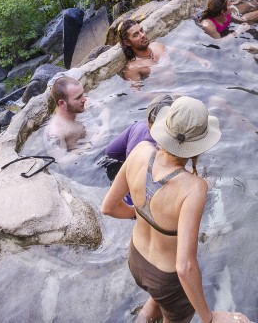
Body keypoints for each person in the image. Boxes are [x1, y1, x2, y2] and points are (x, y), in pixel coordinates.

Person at [101, 96, 250, 323]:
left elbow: (108, 207)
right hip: (167, 278)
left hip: (136, 260)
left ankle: (144, 316)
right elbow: (184, 266)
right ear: (197, 146)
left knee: (157, 296)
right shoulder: (194, 188)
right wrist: (209, 317)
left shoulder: (140, 151)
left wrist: (141, 212)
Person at [101, 94, 174, 188]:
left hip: (126, 183)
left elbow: (110, 151)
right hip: (148, 192)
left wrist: (129, 158)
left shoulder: (138, 126)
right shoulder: (166, 145)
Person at [118, 20, 211, 84]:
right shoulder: (132, 68)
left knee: (217, 100)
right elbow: (138, 94)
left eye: (141, 30)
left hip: (183, 82)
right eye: (136, 35)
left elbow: (180, 52)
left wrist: (199, 59)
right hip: (168, 96)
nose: (142, 35)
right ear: (127, 42)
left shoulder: (157, 46)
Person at [44, 77, 87, 157]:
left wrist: (105, 125)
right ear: (62, 103)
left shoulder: (79, 107)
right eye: (78, 97)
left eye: (83, 94)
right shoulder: (55, 132)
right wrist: (91, 145)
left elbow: (102, 108)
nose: (84, 99)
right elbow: (62, 162)